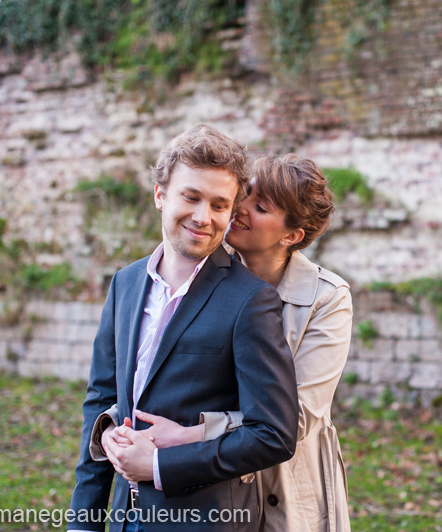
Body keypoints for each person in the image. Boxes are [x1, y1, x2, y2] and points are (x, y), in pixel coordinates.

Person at [67, 125, 298, 532]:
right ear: (160, 195)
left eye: (218, 205)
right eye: (190, 197)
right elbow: (101, 398)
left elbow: (273, 434)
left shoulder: (250, 300)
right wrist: (83, 521)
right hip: (124, 517)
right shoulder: (125, 283)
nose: (203, 217)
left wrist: (159, 465)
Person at [110, 154, 353, 532]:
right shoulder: (199, 274)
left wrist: (191, 435)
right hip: (209, 483)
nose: (240, 209)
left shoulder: (327, 298)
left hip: (284, 483)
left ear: (291, 236)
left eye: (260, 207)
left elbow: (298, 416)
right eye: (246, 195)